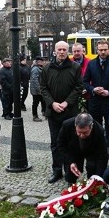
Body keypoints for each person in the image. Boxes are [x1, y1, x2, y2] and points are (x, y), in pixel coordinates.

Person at [40, 41, 84, 183]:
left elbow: (78, 87)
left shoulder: (75, 67)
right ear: (55, 50)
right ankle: (56, 170)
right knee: (55, 143)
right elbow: (43, 88)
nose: (62, 52)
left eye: (64, 49)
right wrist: (52, 103)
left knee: (70, 142)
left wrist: (66, 102)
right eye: (59, 49)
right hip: (53, 112)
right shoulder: (47, 68)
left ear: (68, 51)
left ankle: (69, 169)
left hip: (69, 112)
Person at [83, 39, 109, 150]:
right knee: (95, 128)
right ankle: (98, 151)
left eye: (105, 50)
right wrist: (93, 89)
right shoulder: (91, 63)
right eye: (100, 50)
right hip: (95, 102)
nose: (103, 52)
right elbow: (85, 81)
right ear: (97, 50)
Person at [57, 112, 109, 184]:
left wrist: (99, 178)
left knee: (92, 167)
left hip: (91, 151)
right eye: (79, 132)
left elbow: (102, 156)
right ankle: (71, 184)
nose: (81, 135)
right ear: (75, 125)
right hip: (74, 150)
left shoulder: (99, 130)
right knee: (71, 169)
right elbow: (61, 145)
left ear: (91, 126)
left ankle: (92, 184)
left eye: (85, 132)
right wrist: (71, 162)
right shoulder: (67, 125)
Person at [29, 56, 46, 122]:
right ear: (38, 62)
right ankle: (35, 116)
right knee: (35, 103)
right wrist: (39, 89)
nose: (43, 62)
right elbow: (34, 80)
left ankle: (44, 112)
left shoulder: (40, 68)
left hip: (39, 89)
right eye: (42, 61)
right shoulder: (35, 69)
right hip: (36, 90)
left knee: (43, 101)